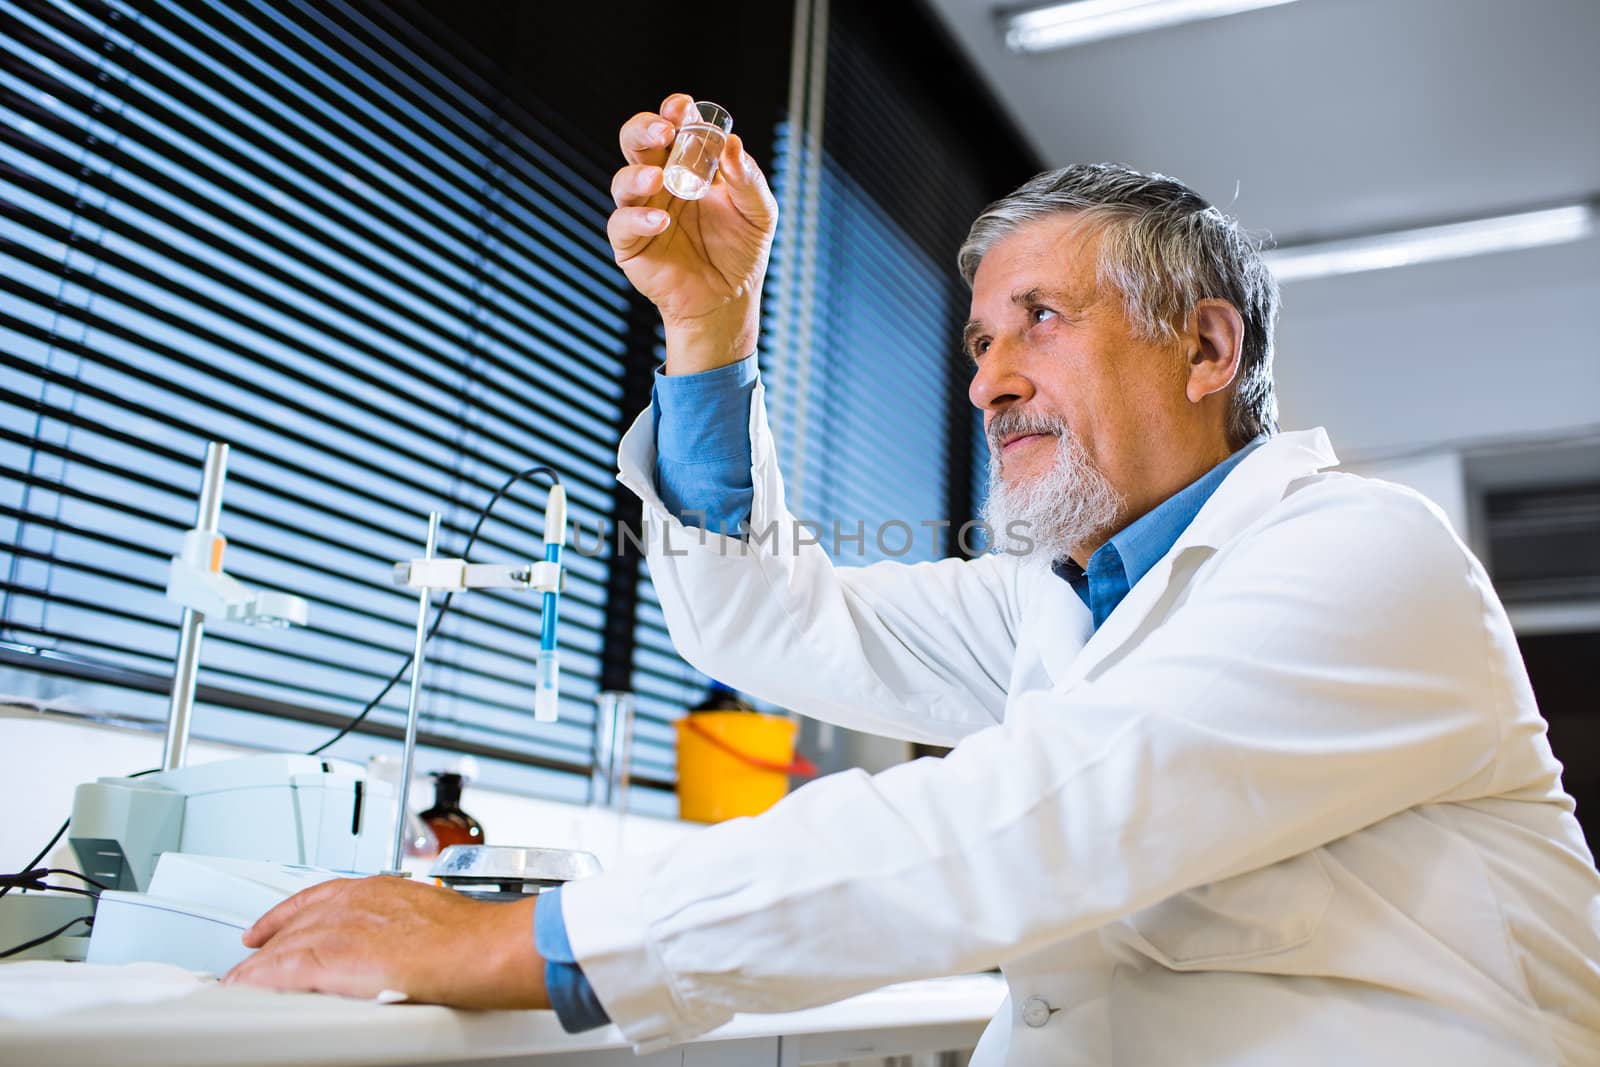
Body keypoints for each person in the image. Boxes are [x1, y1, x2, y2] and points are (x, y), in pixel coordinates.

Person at [225, 94, 1600, 1065]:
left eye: (1040, 322)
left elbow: (1034, 820)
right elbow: (779, 623)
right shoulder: (1057, 599)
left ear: (1206, 349)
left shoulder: (1362, 554)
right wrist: (711, 324)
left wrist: (534, 942)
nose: (988, 378)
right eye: (979, 340)